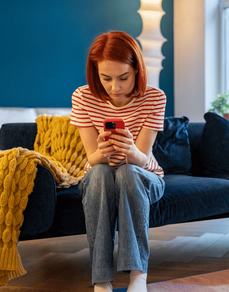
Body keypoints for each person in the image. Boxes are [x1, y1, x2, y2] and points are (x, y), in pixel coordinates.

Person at [70, 31, 166, 292]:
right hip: (99, 177)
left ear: (137, 69)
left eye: (123, 77)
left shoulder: (155, 98)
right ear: (95, 73)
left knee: (128, 173)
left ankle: (138, 275)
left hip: (144, 175)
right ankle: (101, 280)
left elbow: (143, 159)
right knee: (100, 172)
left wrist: (130, 150)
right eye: (106, 78)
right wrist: (102, 151)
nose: (115, 87)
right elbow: (92, 159)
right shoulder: (82, 97)